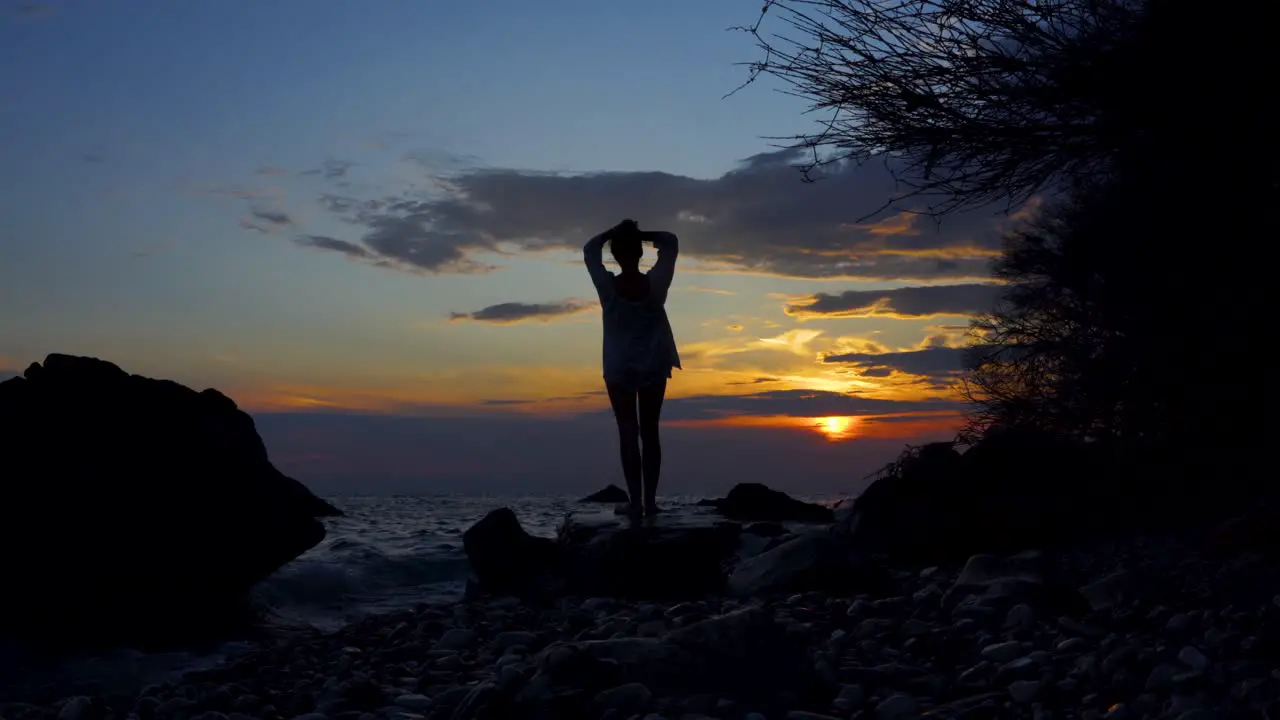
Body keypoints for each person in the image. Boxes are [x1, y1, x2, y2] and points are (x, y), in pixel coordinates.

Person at [583, 219, 681, 518]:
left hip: (619, 367)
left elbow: (589, 250)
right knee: (650, 432)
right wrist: (640, 234)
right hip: (653, 363)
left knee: (628, 433)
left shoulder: (608, 288)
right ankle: (649, 503)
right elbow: (670, 240)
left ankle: (636, 503)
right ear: (640, 253)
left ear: (616, 255)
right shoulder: (656, 284)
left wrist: (614, 232)